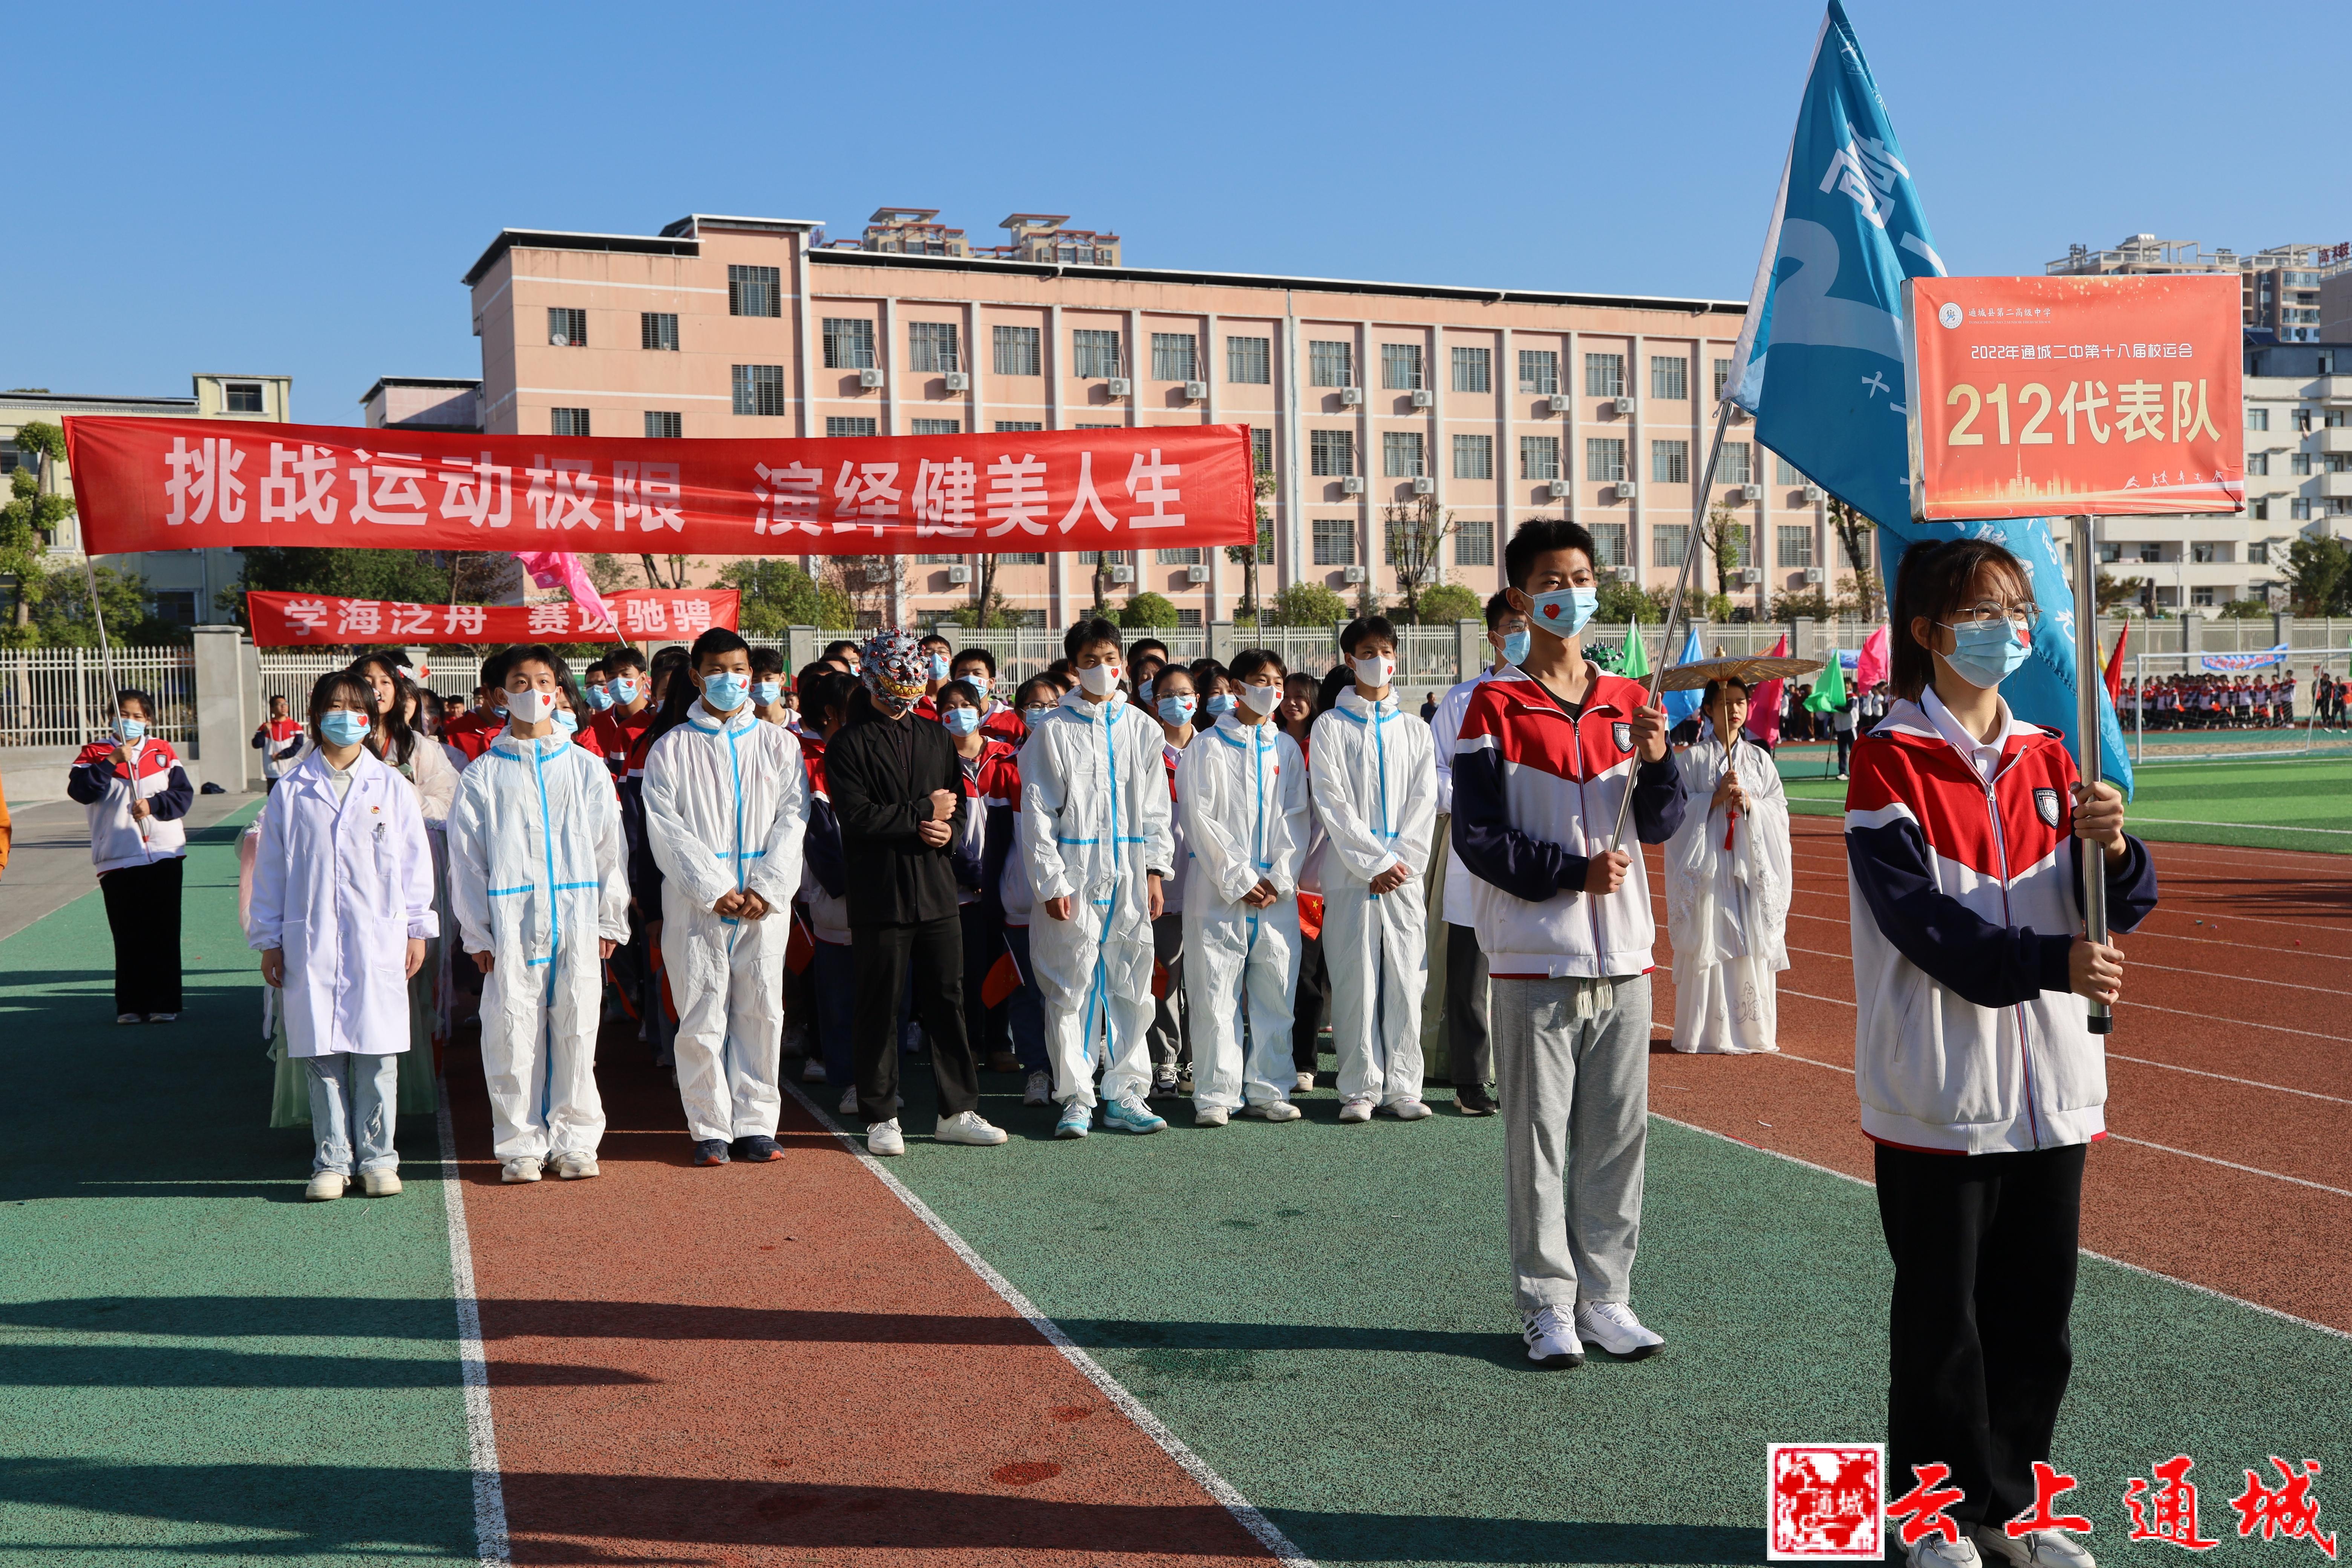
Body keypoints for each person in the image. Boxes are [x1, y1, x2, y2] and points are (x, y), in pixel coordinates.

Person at [1848, 538, 2157, 1568]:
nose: (2008, 631)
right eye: (1984, 614)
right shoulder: (1888, 759)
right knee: (1945, 1323)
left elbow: (2126, 906)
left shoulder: (2052, 753)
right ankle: (1932, 1517)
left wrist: (2115, 847)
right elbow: (1924, 925)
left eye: (2018, 611)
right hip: (1941, 1086)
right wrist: (2051, 964)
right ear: (1930, 632)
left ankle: (2012, 1510)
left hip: (2054, 1084)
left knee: (2037, 1321)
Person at [1451, 517, 1686, 1368]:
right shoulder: (1494, 705)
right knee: (1539, 1141)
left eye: (1581, 575)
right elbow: (1478, 836)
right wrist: (1567, 874)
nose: (1570, 591)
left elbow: (1659, 820)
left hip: (1623, 956)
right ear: (1521, 597)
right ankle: (1546, 1303)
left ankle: (1609, 1297)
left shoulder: (1630, 700)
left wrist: (1658, 760)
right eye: (1551, 578)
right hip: (1532, 953)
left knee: (1618, 1137)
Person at [248, 671, 437, 1200]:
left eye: (358, 708)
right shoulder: (292, 791)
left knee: (377, 1055)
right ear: (316, 715)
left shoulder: (392, 787)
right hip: (311, 938)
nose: (347, 718)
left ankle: (379, 1158)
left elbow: (413, 865)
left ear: (372, 718)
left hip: (377, 937)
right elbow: (272, 872)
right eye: (335, 707)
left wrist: (417, 927)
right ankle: (331, 1159)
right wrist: (268, 939)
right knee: (322, 1054)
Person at [449, 646, 631, 1182]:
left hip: (576, 916)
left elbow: (609, 849)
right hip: (512, 922)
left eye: (543, 680)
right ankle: (519, 1145)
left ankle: (575, 1139)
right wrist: (476, 931)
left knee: (577, 1027)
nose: (533, 692)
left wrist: (608, 917)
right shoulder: (483, 774)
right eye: (520, 683)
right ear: (501, 695)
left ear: (559, 690)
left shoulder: (585, 767)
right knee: (512, 1032)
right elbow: (467, 861)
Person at [824, 631, 1006, 1155]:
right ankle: (881, 1113)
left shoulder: (934, 736)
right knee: (881, 1005)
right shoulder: (848, 743)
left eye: (913, 673)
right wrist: (923, 814)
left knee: (948, 999)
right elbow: (858, 819)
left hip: (936, 890)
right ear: (871, 677)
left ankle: (957, 1108)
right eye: (894, 674)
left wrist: (946, 832)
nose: (905, 684)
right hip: (879, 893)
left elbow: (959, 807)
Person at [640, 628, 811, 1166]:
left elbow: (794, 818)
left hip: (763, 902)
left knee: (762, 1009)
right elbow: (666, 830)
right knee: (702, 1011)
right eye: (717, 671)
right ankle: (709, 1126)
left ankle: (757, 1123)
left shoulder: (780, 744)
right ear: (695, 677)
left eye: (740, 671)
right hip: (698, 905)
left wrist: (767, 884)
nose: (732, 681)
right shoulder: (671, 748)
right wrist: (713, 887)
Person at [1020, 617, 1176, 1139]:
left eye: (1109, 659)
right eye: (1089, 661)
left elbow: (1157, 811)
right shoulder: (1052, 732)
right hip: (1077, 873)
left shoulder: (1142, 728)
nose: (1102, 669)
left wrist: (1155, 871)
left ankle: (1126, 1092)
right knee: (1072, 985)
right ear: (1072, 668)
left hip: (1130, 873)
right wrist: (1052, 883)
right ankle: (1076, 1096)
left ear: (1123, 664)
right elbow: (1038, 813)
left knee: (1131, 982)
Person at [1309, 617, 1438, 1124]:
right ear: (1349, 660)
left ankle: (1405, 1085)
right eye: (1367, 651)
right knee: (1354, 978)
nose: (1377, 660)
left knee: (1407, 978)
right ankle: (1359, 1086)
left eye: (1385, 650)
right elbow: (1332, 802)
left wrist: (1400, 864)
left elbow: (1424, 804)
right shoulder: (1330, 728)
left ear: (1395, 658)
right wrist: (1374, 862)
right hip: (1351, 877)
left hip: (1403, 879)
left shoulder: (1414, 729)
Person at [1178, 649, 1309, 1126]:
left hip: (1276, 894)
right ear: (1235, 686)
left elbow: (1298, 818)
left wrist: (1278, 875)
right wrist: (1238, 876)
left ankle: (1269, 1086)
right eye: (1260, 680)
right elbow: (1199, 818)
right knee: (1215, 992)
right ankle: (1216, 1093)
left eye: (1278, 681)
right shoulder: (1207, 747)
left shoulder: (1286, 748)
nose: (1272, 690)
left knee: (1276, 990)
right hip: (1218, 892)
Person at [1427, 592, 1528, 1116]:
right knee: (1469, 974)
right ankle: (1470, 1082)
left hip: (1532, 853)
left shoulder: (1550, 700)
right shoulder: (1464, 701)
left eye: (1531, 623)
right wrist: (1478, 803)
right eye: (1514, 625)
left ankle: (1525, 1077)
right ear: (1493, 635)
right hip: (1475, 851)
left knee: (1529, 968)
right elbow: (1436, 773)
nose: (1524, 633)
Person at [1663, 677, 1790, 1055]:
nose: (1733, 709)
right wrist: (1714, 799)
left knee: (1749, 932)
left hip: (1748, 866)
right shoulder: (1693, 760)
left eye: (1740, 701)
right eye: (1724, 702)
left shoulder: (1760, 760)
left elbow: (1779, 812)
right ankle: (1706, 1029)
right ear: (1707, 709)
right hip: (1710, 867)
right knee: (1710, 933)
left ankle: (1751, 1030)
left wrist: (1752, 803)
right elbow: (1676, 815)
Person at [69, 689, 193, 1024]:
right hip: (118, 857)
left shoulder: (163, 751)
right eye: (124, 714)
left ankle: (164, 1003)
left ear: (149, 720)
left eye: (138, 716)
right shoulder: (94, 752)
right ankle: (131, 1005)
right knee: (128, 933)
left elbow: (183, 796)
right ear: (110, 717)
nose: (131, 721)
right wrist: (111, 762)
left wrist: (153, 805)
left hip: (164, 853)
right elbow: (81, 791)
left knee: (164, 930)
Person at [937, 677, 1022, 1090]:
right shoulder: (936, 761)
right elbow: (941, 830)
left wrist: (995, 875)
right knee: (967, 970)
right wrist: (972, 874)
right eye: (948, 707)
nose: (958, 713)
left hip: (1004, 879)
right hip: (960, 886)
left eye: (965, 704)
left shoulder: (1006, 756)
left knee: (1002, 962)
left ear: (981, 707)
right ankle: (971, 1042)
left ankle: (1000, 1042)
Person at [997, 675, 1065, 1106]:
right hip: (1021, 899)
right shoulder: (1007, 768)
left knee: (1071, 987)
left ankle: (1070, 1069)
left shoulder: (1077, 761)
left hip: (1071, 896)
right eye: (1034, 705)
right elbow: (996, 840)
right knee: (1027, 992)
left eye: (1052, 702)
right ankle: (1036, 1070)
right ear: (1020, 713)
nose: (1043, 712)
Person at [794, 671, 859, 1112]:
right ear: (833, 713)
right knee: (837, 994)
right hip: (836, 899)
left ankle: (877, 1078)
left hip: (879, 896)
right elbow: (817, 838)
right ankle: (847, 1075)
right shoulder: (809, 763)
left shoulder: (870, 751)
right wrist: (845, 886)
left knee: (880, 995)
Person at [1144, 662, 1200, 1095]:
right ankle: (1164, 1058)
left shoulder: (1213, 748)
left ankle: (1198, 1058)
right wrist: (1152, 872)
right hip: (1161, 884)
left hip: (1206, 883)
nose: (1177, 702)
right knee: (1162, 976)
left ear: (1197, 699)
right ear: (1154, 701)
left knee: (1202, 977)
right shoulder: (1145, 750)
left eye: (1185, 693)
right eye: (1167, 694)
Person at [1275, 669, 1327, 1092]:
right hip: (1293, 883)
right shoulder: (1272, 743)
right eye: (1285, 695)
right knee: (1302, 979)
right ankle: (1301, 1062)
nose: (1292, 701)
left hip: (1328, 880)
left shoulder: (1321, 746)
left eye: (1300, 695)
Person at [585, 646, 656, 778]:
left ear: (643, 678)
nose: (618, 681)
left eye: (626, 675)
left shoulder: (658, 719)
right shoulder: (594, 724)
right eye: (612, 677)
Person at [952, 647, 1027, 747]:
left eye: (977, 674)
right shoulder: (947, 718)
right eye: (963, 674)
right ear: (953, 681)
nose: (970, 678)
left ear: (991, 683)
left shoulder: (1014, 720)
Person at [253, 695, 306, 791]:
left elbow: (298, 746)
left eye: (285, 704)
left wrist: (281, 755)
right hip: (273, 771)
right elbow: (256, 745)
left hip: (291, 770)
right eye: (279, 704)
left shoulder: (295, 727)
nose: (283, 706)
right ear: (272, 709)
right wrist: (263, 732)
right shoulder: (266, 727)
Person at [911, 631, 954, 718]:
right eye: (928, 653)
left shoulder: (960, 696)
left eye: (942, 652)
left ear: (951, 662)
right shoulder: (912, 701)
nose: (936, 657)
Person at [750, 646, 790, 726]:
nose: (762, 685)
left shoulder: (798, 725)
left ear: (782, 679)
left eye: (769, 678)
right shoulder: (741, 724)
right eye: (755, 680)